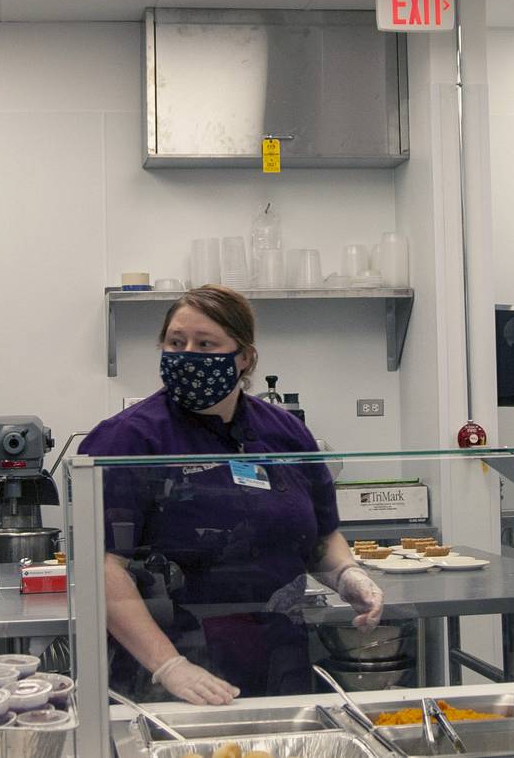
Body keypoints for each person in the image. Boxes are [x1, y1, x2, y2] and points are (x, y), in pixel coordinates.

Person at [80, 285, 383, 705]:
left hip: (278, 652)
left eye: (205, 344)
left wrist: (348, 574)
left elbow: (321, 536)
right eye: (175, 342)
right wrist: (169, 665)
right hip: (169, 665)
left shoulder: (285, 432)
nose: (187, 354)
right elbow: (103, 565)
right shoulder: (127, 438)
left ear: (244, 357)